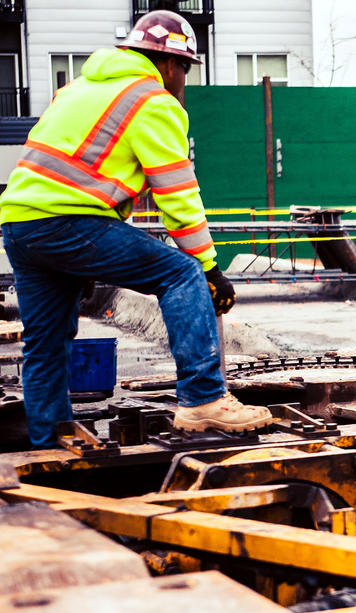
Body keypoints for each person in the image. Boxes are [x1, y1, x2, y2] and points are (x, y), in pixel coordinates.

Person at [0, 10, 271, 449]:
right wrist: (208, 267)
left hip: (20, 225)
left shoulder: (77, 90)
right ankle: (203, 398)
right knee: (180, 273)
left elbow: (82, 173)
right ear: (169, 63)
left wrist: (78, 260)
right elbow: (177, 193)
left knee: (45, 339)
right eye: (186, 69)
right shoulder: (152, 100)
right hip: (70, 221)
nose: (185, 81)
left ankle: (47, 437)